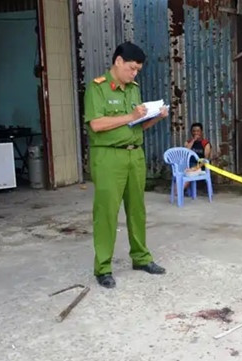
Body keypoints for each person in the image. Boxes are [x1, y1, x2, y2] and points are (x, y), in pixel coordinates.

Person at [84, 42, 169, 289]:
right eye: (132, 68)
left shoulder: (133, 89)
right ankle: (103, 267)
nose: (134, 74)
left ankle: (141, 258)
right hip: (109, 157)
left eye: (137, 71)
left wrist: (154, 117)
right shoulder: (97, 88)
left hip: (135, 155)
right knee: (107, 213)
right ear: (118, 61)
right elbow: (97, 124)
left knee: (137, 210)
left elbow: (136, 125)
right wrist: (131, 116)